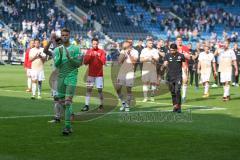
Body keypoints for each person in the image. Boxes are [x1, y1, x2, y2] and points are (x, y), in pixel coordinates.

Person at [53, 28, 83, 135]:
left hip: (71, 77)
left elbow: (79, 64)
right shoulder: (57, 50)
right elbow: (56, 65)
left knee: (67, 101)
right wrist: (61, 56)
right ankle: (69, 122)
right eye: (62, 35)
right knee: (62, 103)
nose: (64, 37)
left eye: (66, 35)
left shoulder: (76, 49)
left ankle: (67, 126)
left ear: (69, 36)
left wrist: (70, 58)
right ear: (61, 36)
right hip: (61, 77)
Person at [81, 38, 106, 112]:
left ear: (98, 44)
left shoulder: (101, 52)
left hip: (99, 75)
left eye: (96, 44)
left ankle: (101, 105)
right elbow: (85, 62)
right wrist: (90, 56)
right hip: (91, 75)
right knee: (88, 89)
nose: (95, 45)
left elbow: (103, 62)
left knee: (100, 90)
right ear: (92, 44)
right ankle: (86, 105)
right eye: (94, 44)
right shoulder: (89, 51)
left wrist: (97, 56)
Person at [44, 33, 64, 123]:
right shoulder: (54, 52)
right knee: (56, 98)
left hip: (61, 78)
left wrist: (53, 40)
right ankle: (58, 117)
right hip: (55, 79)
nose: (58, 44)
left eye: (60, 43)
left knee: (61, 99)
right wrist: (50, 40)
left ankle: (62, 116)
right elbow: (45, 50)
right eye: (57, 43)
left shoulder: (63, 52)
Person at [162, 43, 187, 113]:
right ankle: (174, 106)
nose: (172, 51)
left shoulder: (181, 56)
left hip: (178, 76)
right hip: (169, 76)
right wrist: (164, 65)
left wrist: (186, 75)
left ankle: (179, 107)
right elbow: (165, 63)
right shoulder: (167, 55)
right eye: (171, 50)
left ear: (176, 49)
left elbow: (184, 66)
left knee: (177, 91)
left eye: (173, 50)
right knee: (172, 92)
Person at [116, 40, 138, 112]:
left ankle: (127, 105)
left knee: (128, 89)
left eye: (130, 42)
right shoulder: (123, 51)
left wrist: (129, 54)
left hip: (130, 72)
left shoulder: (135, 51)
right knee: (118, 88)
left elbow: (134, 62)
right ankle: (123, 102)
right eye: (128, 42)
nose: (128, 43)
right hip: (122, 71)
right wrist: (123, 53)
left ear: (131, 44)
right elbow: (119, 61)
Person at [176, 36, 191, 103]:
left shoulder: (185, 48)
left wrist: (183, 54)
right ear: (176, 41)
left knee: (185, 81)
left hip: (184, 66)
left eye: (180, 40)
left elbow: (189, 57)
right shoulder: (174, 48)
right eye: (178, 40)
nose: (179, 41)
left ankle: (184, 96)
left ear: (182, 41)